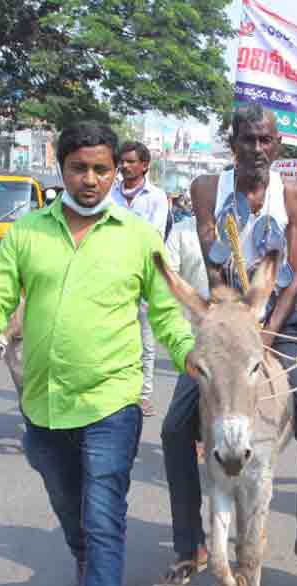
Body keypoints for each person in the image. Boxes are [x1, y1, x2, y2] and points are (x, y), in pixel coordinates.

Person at [0, 122, 195, 586]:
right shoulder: (28, 233)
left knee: (104, 514)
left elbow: (166, 314)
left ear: (119, 172)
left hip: (112, 399)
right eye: (80, 168)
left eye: (102, 169)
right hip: (43, 403)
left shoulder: (138, 238)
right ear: (61, 169)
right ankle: (87, 558)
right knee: (70, 508)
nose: (91, 179)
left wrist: (190, 357)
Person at [161, 102, 297, 586]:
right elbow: (214, 267)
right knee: (176, 429)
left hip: (283, 325)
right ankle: (188, 542)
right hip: (225, 327)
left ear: (277, 145)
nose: (257, 149)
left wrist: (265, 336)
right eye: (247, 140)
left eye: (265, 140)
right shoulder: (205, 190)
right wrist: (235, 330)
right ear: (232, 142)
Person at [112, 140, 170, 417]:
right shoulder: (109, 194)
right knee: (112, 335)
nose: (124, 166)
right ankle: (116, 391)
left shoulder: (157, 197)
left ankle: (143, 395)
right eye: (122, 161)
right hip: (111, 276)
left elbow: (153, 236)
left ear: (145, 165)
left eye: (130, 161)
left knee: (146, 342)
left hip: (145, 277)